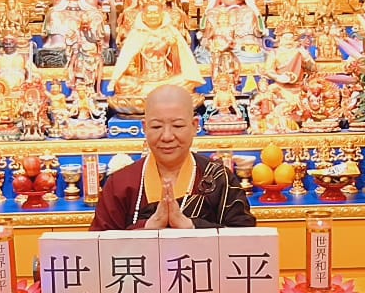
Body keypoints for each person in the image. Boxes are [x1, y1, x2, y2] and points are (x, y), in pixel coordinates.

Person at [90, 85, 256, 231]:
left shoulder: (219, 178)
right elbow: (99, 246)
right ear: (144, 127)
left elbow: (244, 239)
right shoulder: (121, 183)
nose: (167, 136)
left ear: (194, 126)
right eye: (156, 126)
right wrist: (148, 226)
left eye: (177, 125)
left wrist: (191, 226)